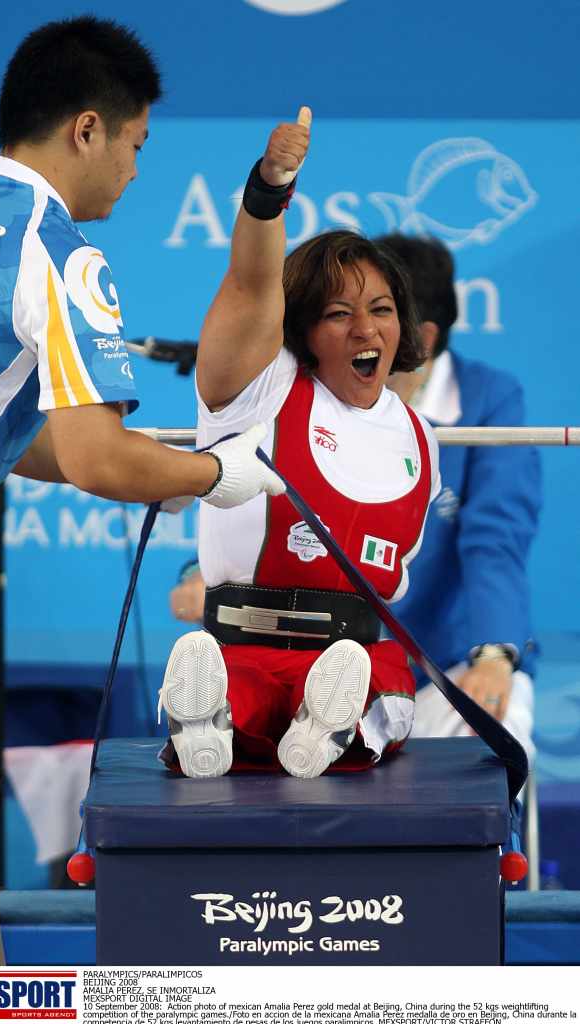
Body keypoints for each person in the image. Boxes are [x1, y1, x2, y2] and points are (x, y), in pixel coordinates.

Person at [0, 16, 283, 966]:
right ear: (87, 129)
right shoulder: (59, 251)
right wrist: (219, 474)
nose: (135, 173)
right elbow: (96, 459)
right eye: (134, 146)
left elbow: (22, 434)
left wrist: (160, 476)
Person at [158, 108, 441, 781]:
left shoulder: (419, 438)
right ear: (302, 331)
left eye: (380, 310)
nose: (364, 330)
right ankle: (213, 721)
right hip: (241, 646)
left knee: (382, 680)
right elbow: (251, 286)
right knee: (241, 689)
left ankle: (324, 727)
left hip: (348, 660)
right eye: (338, 314)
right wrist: (269, 188)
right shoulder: (260, 389)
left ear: (405, 324)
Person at [377, 234, 541, 762]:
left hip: (445, 661)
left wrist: (493, 653)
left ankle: (494, 849)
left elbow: (496, 535)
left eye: (377, 311)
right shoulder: (322, 388)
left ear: (421, 337)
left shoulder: (490, 398)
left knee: (497, 735)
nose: (353, 329)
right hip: (336, 663)